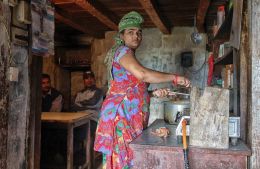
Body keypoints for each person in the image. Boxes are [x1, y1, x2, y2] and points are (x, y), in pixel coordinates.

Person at [94, 11, 191, 169]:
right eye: (130, 32)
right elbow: (143, 74)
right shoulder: (122, 51)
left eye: (139, 33)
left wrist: (152, 94)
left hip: (127, 117)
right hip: (121, 118)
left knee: (128, 160)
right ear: (122, 36)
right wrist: (175, 78)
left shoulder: (129, 55)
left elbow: (131, 89)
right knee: (124, 161)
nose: (136, 36)